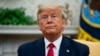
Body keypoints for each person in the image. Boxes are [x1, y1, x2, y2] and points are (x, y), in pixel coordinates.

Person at [17, 2, 89, 56]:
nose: (49, 21)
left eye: (54, 16)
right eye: (44, 17)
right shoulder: (25, 50)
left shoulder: (80, 50)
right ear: (39, 25)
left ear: (63, 23)